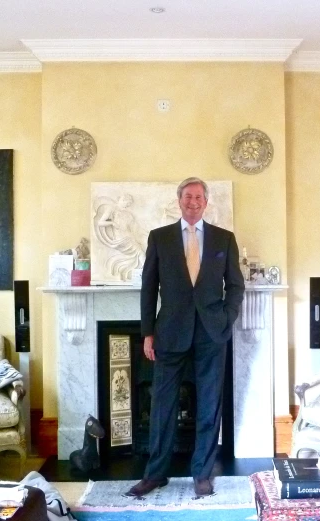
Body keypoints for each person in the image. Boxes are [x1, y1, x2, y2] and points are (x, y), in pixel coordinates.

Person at [127, 177, 245, 498]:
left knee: (209, 404)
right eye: (187, 196)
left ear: (206, 203)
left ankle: (202, 474)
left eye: (199, 197)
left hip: (212, 333)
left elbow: (236, 285)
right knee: (162, 404)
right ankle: (155, 474)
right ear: (179, 201)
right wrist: (147, 333)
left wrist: (226, 317)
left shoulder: (225, 239)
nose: (193, 201)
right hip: (169, 332)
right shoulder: (160, 238)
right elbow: (149, 288)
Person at [93, 193, 146, 281]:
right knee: (140, 253)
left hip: (129, 237)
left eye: (129, 204)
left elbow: (132, 227)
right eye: (127, 203)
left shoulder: (127, 214)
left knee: (140, 252)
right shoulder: (111, 209)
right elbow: (100, 223)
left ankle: (137, 273)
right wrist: (112, 223)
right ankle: (146, 274)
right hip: (121, 239)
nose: (127, 206)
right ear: (122, 200)